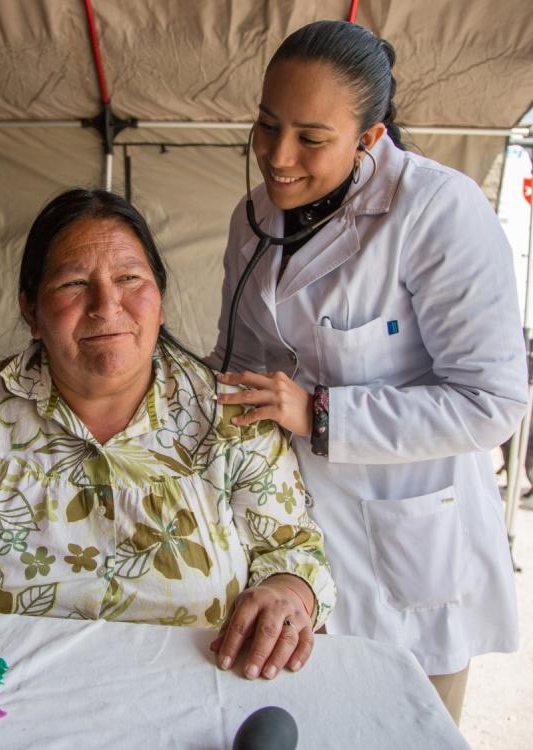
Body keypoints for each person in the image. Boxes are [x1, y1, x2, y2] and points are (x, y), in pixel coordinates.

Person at [209, 20, 527, 723]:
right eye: (266, 126)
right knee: (305, 721)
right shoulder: (253, 217)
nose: (277, 157)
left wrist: (320, 414)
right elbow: (238, 363)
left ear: (370, 138)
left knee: (406, 725)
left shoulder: (439, 212)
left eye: (311, 139)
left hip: (409, 537)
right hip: (292, 533)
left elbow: (491, 401)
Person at [0, 189, 337, 682]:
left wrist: (286, 593)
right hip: (4, 703)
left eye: (129, 278)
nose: (107, 305)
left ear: (160, 301)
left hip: (192, 696)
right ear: (31, 311)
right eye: (74, 283)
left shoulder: (231, 417)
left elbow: (293, 551)